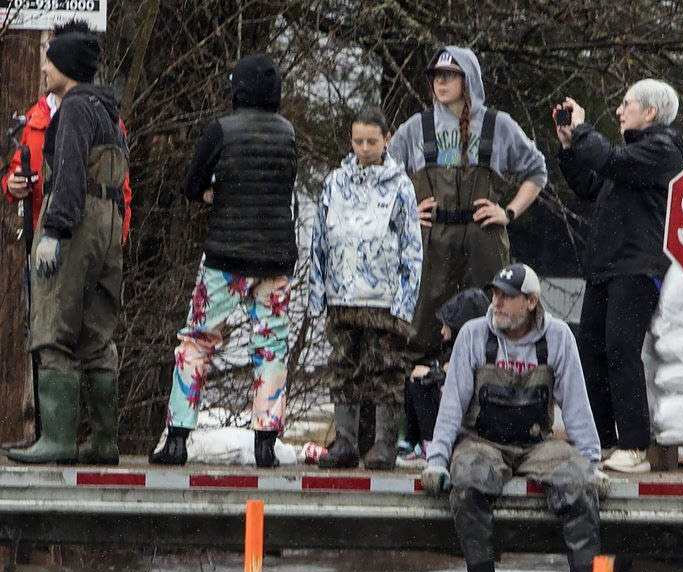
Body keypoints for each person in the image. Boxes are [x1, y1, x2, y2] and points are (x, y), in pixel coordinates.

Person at [420, 263, 601, 572]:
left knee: (578, 485)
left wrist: (591, 464)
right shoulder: (473, 334)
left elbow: (577, 406)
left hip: (538, 445)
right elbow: (452, 406)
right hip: (482, 442)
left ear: (531, 302)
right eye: (495, 295)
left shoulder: (558, 336)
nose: (497, 303)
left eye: (507, 297)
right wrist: (437, 461)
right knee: (468, 483)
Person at [148, 54, 298, 468]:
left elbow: (191, 184)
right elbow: (284, 184)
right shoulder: (287, 133)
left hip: (226, 257)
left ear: (239, 89)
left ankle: (178, 439)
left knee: (198, 341)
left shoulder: (221, 130)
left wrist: (214, 194)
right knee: (271, 347)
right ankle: (265, 443)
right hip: (275, 258)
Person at [3, 22, 133, 452]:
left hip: (76, 223)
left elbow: (72, 175)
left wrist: (54, 231)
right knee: (97, 335)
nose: (43, 68)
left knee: (53, 327)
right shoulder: (107, 111)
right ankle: (104, 443)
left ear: (67, 67)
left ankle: (57, 440)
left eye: (50, 61)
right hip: (108, 225)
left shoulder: (74, 108)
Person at [554, 80, 683, 474]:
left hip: (637, 267)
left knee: (621, 350)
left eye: (626, 103)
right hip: (606, 268)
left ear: (650, 112)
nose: (618, 110)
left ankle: (634, 446)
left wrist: (582, 129)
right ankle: (603, 440)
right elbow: (589, 184)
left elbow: (608, 160)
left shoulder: (663, 149)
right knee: (590, 351)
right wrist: (569, 147)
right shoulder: (628, 157)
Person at [386, 46, 548, 367]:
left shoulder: (498, 125)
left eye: (449, 75)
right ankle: (424, 392)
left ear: (468, 79)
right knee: (422, 332)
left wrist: (508, 212)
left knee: (493, 324)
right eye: (436, 76)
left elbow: (537, 171)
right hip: (431, 242)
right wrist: (404, 214)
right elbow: (382, 178)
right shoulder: (416, 127)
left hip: (483, 239)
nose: (440, 82)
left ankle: (491, 391)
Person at [308, 107, 424, 470]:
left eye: (371, 141)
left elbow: (412, 246)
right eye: (358, 141)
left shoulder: (400, 185)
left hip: (385, 298)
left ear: (387, 139)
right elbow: (319, 238)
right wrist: (318, 292)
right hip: (342, 294)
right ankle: (345, 441)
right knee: (344, 366)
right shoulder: (335, 182)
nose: (364, 148)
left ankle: (384, 444)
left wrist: (405, 300)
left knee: (386, 369)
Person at [401, 287, 490, 464]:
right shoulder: (453, 348)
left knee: (421, 383)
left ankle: (430, 442)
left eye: (446, 325)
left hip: (474, 421)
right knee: (418, 379)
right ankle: (413, 440)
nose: (442, 331)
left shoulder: (478, 349)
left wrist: (433, 374)